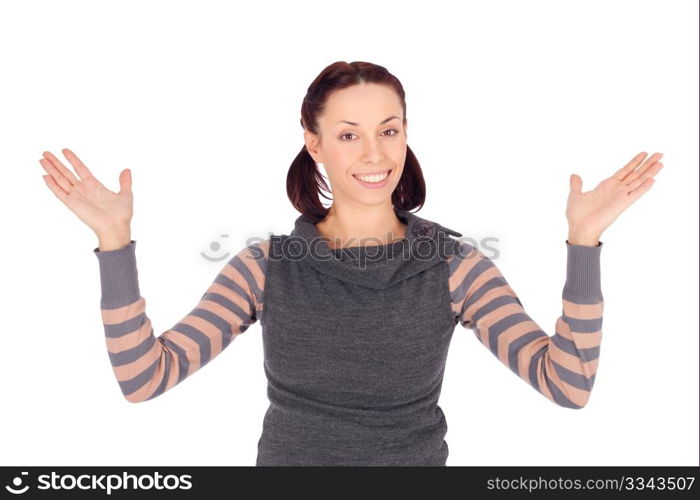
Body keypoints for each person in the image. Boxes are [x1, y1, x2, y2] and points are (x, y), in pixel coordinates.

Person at [39, 60, 664, 466]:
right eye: (348, 134)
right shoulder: (267, 267)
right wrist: (114, 243)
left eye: (389, 130)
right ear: (313, 143)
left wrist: (583, 243)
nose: (374, 152)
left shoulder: (452, 266)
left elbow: (568, 384)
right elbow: (145, 378)